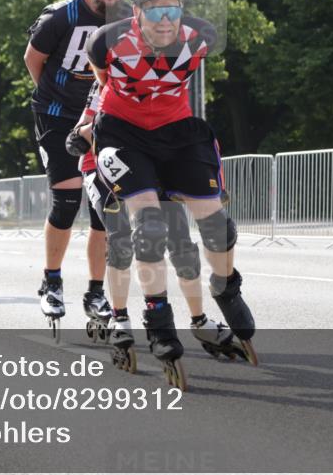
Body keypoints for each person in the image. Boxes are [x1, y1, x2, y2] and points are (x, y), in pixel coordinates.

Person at [86, 0, 257, 384]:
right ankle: (157, 316)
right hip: (125, 133)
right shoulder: (106, 41)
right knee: (149, 227)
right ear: (137, 10)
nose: (165, 19)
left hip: (178, 130)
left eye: (173, 9)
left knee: (218, 226)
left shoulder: (201, 37)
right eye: (155, 10)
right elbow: (104, 82)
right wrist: (90, 125)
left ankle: (226, 287)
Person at [66, 81, 240, 372]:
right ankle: (120, 317)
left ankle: (199, 320)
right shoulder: (108, 82)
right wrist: (83, 133)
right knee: (122, 239)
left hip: (149, 168)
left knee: (181, 243)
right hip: (100, 167)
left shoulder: (159, 76)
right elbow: (78, 131)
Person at [23, 0, 133, 327]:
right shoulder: (62, 15)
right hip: (55, 115)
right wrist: (56, 97)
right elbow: (32, 59)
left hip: (101, 118)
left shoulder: (130, 19)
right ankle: (51, 281)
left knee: (106, 207)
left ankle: (95, 293)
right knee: (67, 198)